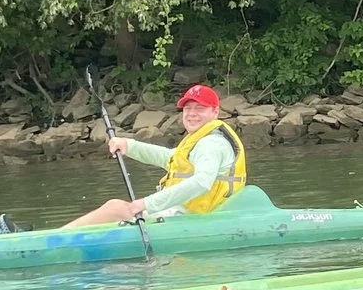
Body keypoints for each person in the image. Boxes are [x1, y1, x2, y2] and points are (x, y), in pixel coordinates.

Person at [66, 83, 248, 228]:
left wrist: (147, 204)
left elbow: (201, 182)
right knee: (115, 208)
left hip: (195, 219)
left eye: (200, 108)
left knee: (116, 208)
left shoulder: (211, 144)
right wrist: (129, 145)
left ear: (215, 112)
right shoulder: (203, 138)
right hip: (188, 213)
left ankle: (58, 238)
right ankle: (62, 236)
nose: (192, 114)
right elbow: (170, 158)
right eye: (188, 109)